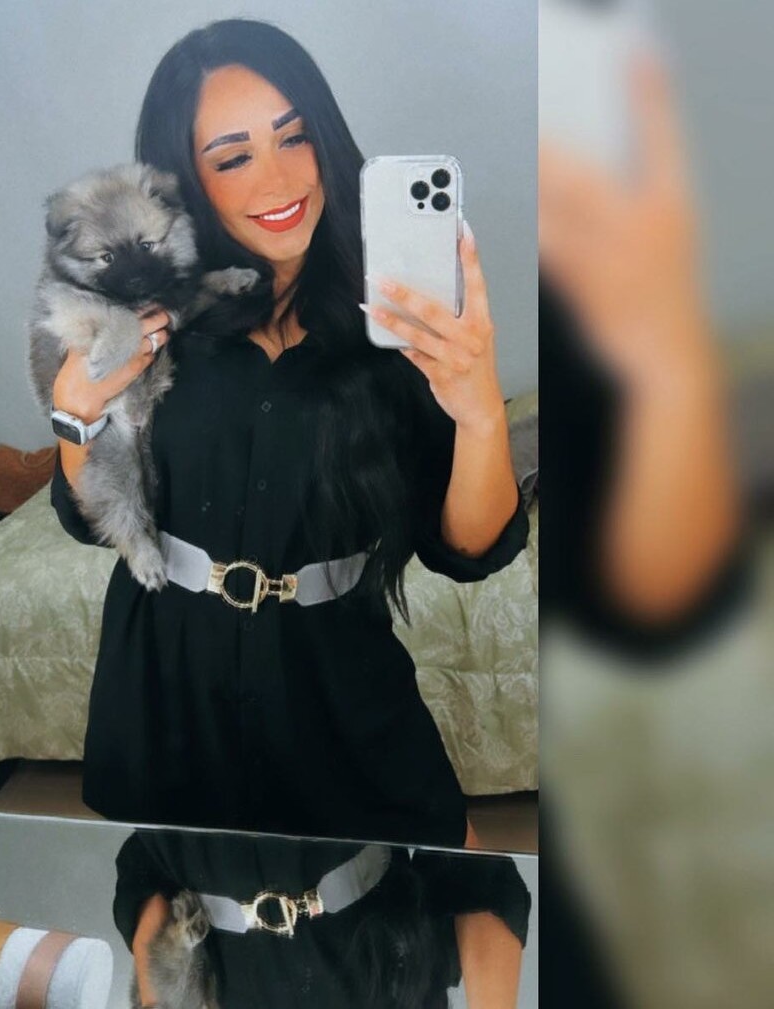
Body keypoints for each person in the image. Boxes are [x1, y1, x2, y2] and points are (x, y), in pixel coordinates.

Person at [49, 19, 528, 850]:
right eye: (233, 157)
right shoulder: (149, 315)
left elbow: (468, 549)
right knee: (178, 914)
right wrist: (74, 413)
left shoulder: (395, 327)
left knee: (447, 904)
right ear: (185, 181)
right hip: (169, 692)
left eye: (294, 137)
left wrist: (480, 409)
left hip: (341, 692)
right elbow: (92, 516)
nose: (278, 178)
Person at [114, 828, 530, 1009]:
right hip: (331, 736)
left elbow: (146, 870)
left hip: (189, 740)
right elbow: (473, 870)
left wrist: (163, 999)